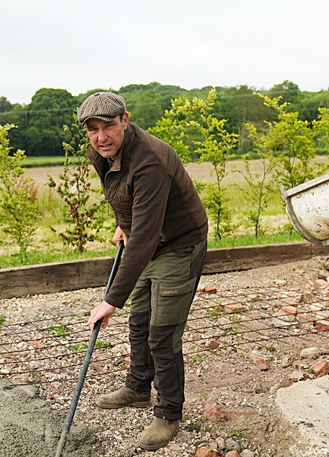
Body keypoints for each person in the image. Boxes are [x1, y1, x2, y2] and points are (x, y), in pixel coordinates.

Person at [79, 92, 209, 451]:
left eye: (108, 126)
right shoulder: (100, 153)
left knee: (161, 334)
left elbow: (148, 237)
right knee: (140, 320)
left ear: (125, 119)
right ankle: (137, 388)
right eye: (92, 129)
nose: (100, 136)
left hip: (178, 244)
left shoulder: (149, 160)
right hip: (148, 238)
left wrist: (110, 300)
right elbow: (122, 195)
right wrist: (125, 222)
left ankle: (168, 414)